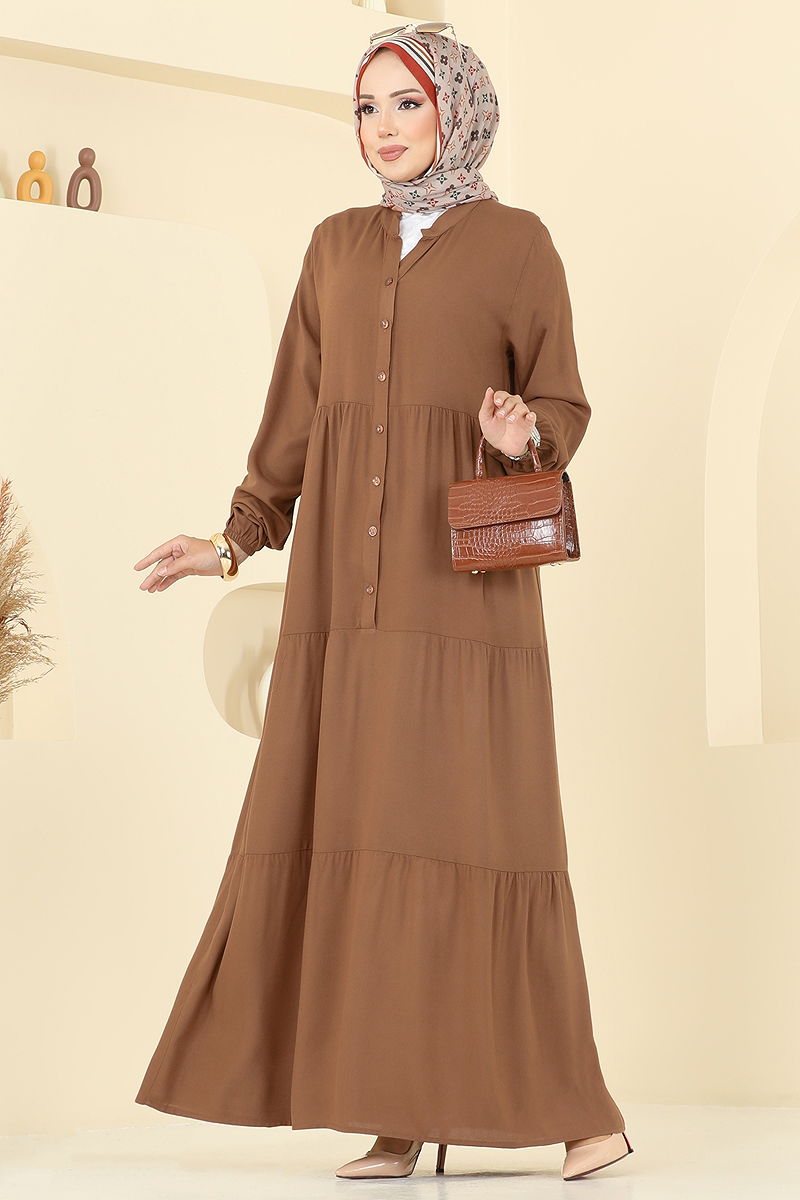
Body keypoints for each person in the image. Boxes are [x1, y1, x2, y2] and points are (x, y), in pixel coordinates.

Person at [132, 22, 634, 1185]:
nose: (383, 127)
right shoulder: (334, 247)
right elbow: (294, 420)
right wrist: (233, 538)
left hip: (463, 601)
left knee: (476, 840)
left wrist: (521, 435)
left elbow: (560, 403)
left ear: (456, 110)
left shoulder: (516, 243)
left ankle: (584, 1115)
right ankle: (393, 1112)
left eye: (406, 103)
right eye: (365, 107)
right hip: (343, 610)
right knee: (362, 837)